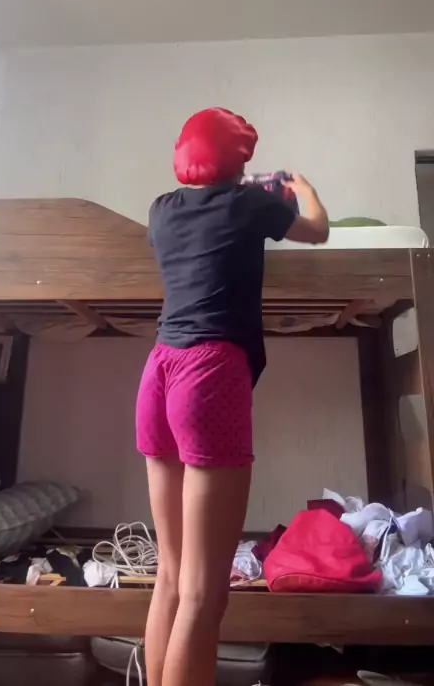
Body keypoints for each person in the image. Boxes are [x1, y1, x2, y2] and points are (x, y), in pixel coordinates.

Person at [136, 107, 329, 686]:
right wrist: (301, 187)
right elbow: (317, 229)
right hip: (209, 374)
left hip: (158, 371)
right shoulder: (250, 205)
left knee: (171, 578)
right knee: (204, 594)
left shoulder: (161, 208)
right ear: (238, 161)